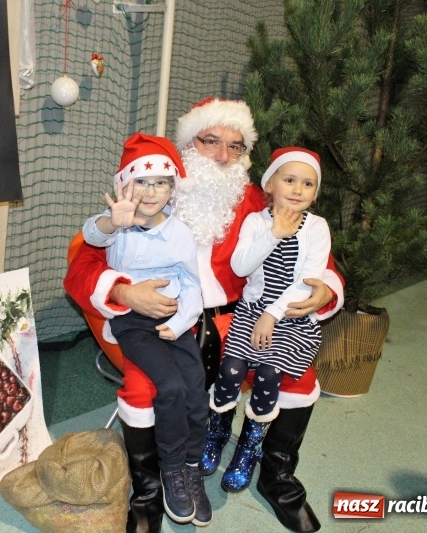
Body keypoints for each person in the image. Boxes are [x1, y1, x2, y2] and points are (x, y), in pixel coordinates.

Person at [64, 98, 344, 533]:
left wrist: (325, 286)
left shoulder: (259, 199)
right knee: (145, 388)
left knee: (299, 379)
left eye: (235, 147)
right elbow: (82, 262)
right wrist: (123, 290)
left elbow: (313, 250)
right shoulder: (146, 191)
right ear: (186, 145)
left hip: (242, 319)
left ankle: (278, 478)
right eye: (210, 141)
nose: (222, 156)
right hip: (161, 319)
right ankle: (149, 493)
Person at [82, 132, 210, 526]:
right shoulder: (118, 225)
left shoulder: (180, 232)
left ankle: (191, 466)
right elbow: (91, 235)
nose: (151, 191)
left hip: (174, 319)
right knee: (169, 387)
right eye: (141, 181)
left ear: (172, 189)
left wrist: (177, 322)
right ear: (124, 184)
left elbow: (192, 285)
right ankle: (171, 469)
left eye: (160, 183)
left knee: (194, 383)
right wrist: (111, 221)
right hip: (132, 322)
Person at [211, 147, 330, 496]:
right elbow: (241, 267)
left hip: (291, 318)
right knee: (231, 368)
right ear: (270, 184)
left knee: (268, 374)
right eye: (289, 179)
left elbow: (308, 279)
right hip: (251, 311)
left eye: (307, 183)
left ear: (315, 192)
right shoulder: (256, 222)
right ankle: (217, 434)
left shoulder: (317, 228)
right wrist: (274, 233)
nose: (297, 189)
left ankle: (248, 448)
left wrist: (272, 314)